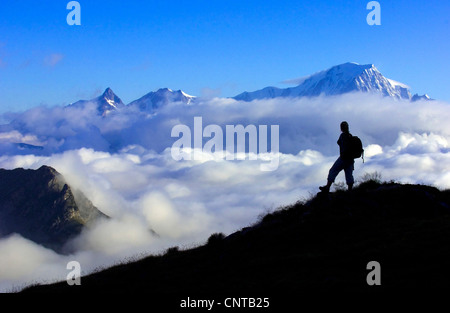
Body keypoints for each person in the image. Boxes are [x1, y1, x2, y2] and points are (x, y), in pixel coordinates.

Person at [319, 121, 354, 192]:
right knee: (349, 174)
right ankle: (350, 190)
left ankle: (327, 187)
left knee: (333, 170)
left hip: (343, 158)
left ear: (341, 128)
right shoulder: (350, 136)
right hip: (350, 159)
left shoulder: (342, 136)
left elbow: (338, 142)